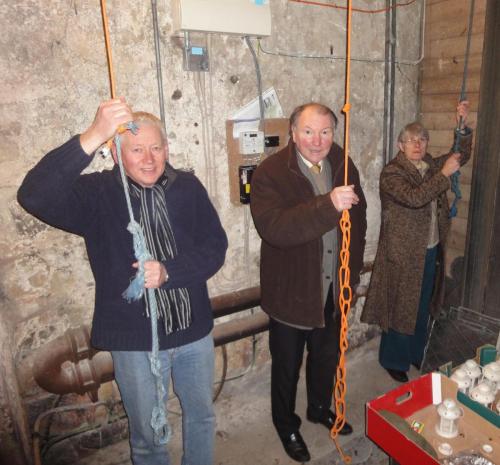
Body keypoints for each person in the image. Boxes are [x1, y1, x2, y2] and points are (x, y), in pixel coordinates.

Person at [18, 98, 228, 465]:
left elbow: (215, 247)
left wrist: (168, 272)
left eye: (155, 147)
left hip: (194, 333)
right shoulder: (98, 195)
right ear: (116, 154)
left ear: (167, 149)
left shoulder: (188, 187)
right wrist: (92, 135)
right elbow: (34, 194)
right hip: (136, 342)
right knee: (148, 437)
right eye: (136, 149)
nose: (148, 158)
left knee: (202, 417)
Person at [250, 102, 367, 463]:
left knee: (326, 356)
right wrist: (327, 204)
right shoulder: (271, 172)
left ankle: (319, 406)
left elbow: (359, 224)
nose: (318, 141)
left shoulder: (343, 163)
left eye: (326, 132)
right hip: (291, 291)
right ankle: (286, 423)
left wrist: (352, 273)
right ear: (292, 133)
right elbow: (275, 228)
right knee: (287, 366)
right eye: (308, 131)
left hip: (334, 288)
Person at [361, 101, 472, 384]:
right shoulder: (392, 173)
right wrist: (444, 175)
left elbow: (459, 156)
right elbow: (414, 198)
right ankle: (392, 359)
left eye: (422, 139)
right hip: (403, 254)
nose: (417, 144)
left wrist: (461, 126)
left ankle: (414, 353)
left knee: (422, 306)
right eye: (410, 140)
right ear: (400, 145)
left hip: (430, 249)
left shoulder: (430, 165)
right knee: (401, 307)